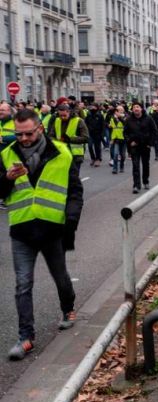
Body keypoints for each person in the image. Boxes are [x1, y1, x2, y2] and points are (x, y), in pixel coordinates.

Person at [0, 109, 83, 360]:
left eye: (28, 133)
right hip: (22, 231)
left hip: (52, 228)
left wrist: (70, 221)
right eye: (19, 134)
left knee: (60, 276)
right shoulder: (6, 154)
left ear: (40, 129)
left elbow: (74, 191)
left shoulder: (61, 152)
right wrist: (7, 179)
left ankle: (68, 309)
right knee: (23, 284)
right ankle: (26, 337)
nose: (23, 138)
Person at [123, 103, 157, 194]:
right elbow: (125, 133)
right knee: (135, 166)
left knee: (145, 164)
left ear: (141, 109)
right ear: (132, 110)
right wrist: (130, 141)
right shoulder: (129, 120)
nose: (136, 109)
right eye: (134, 107)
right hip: (134, 146)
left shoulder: (148, 118)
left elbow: (154, 131)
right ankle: (136, 185)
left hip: (145, 145)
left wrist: (150, 143)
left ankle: (145, 181)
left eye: (138, 107)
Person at [48, 103, 89, 174]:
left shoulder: (79, 121)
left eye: (64, 115)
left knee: (73, 178)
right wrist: (56, 141)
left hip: (75, 155)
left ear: (69, 112)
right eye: (60, 115)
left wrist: (69, 139)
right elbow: (51, 135)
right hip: (61, 154)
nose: (62, 117)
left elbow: (86, 138)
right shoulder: (57, 121)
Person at [109, 105, 127, 174]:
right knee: (115, 154)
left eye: (121, 110)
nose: (119, 112)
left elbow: (125, 124)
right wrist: (112, 139)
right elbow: (112, 129)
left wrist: (120, 118)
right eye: (117, 111)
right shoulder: (113, 118)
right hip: (116, 139)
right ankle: (115, 168)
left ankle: (121, 166)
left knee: (123, 155)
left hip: (123, 139)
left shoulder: (126, 117)